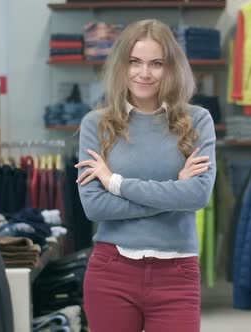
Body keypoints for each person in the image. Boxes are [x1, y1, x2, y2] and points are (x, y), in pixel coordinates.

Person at [75, 19, 216, 332]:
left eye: (156, 64)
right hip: (111, 270)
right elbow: (95, 208)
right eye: (135, 62)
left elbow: (198, 196)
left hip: (177, 273)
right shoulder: (95, 125)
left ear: (172, 68)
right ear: (122, 65)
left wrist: (116, 183)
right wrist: (174, 191)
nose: (144, 73)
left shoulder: (198, 121)